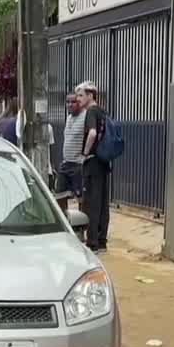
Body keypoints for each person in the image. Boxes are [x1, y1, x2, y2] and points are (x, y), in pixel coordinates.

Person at [78, 81, 110, 252]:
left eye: (81, 95)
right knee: (103, 202)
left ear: (90, 96)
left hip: (93, 162)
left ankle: (92, 242)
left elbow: (92, 133)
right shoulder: (103, 112)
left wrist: (84, 153)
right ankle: (102, 240)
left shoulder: (91, 111)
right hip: (104, 162)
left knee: (91, 202)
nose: (78, 98)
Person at [56, 92, 86, 209]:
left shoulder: (85, 117)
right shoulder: (68, 118)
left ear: (79, 103)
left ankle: (83, 223)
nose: (70, 104)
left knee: (81, 198)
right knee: (59, 195)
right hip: (66, 163)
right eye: (68, 102)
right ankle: (65, 220)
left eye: (73, 102)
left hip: (78, 165)